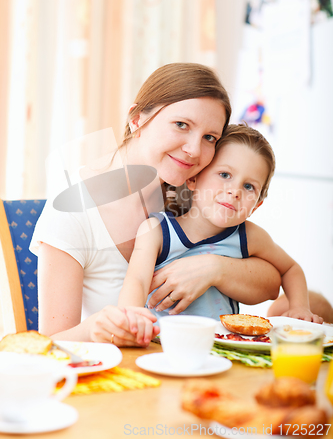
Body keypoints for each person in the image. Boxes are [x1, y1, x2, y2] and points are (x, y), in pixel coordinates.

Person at [31, 63, 281, 347]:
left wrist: (214, 269)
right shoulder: (73, 212)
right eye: (181, 125)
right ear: (137, 119)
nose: (194, 150)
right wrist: (93, 329)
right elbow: (47, 346)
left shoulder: (194, 194)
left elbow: (273, 281)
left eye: (209, 137)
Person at [118, 124, 322, 324]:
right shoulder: (156, 230)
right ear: (193, 179)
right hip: (158, 346)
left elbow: (290, 269)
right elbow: (137, 281)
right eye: (225, 175)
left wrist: (299, 308)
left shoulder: (249, 236)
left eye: (249, 186)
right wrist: (132, 322)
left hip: (221, 348)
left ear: (257, 205)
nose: (235, 191)